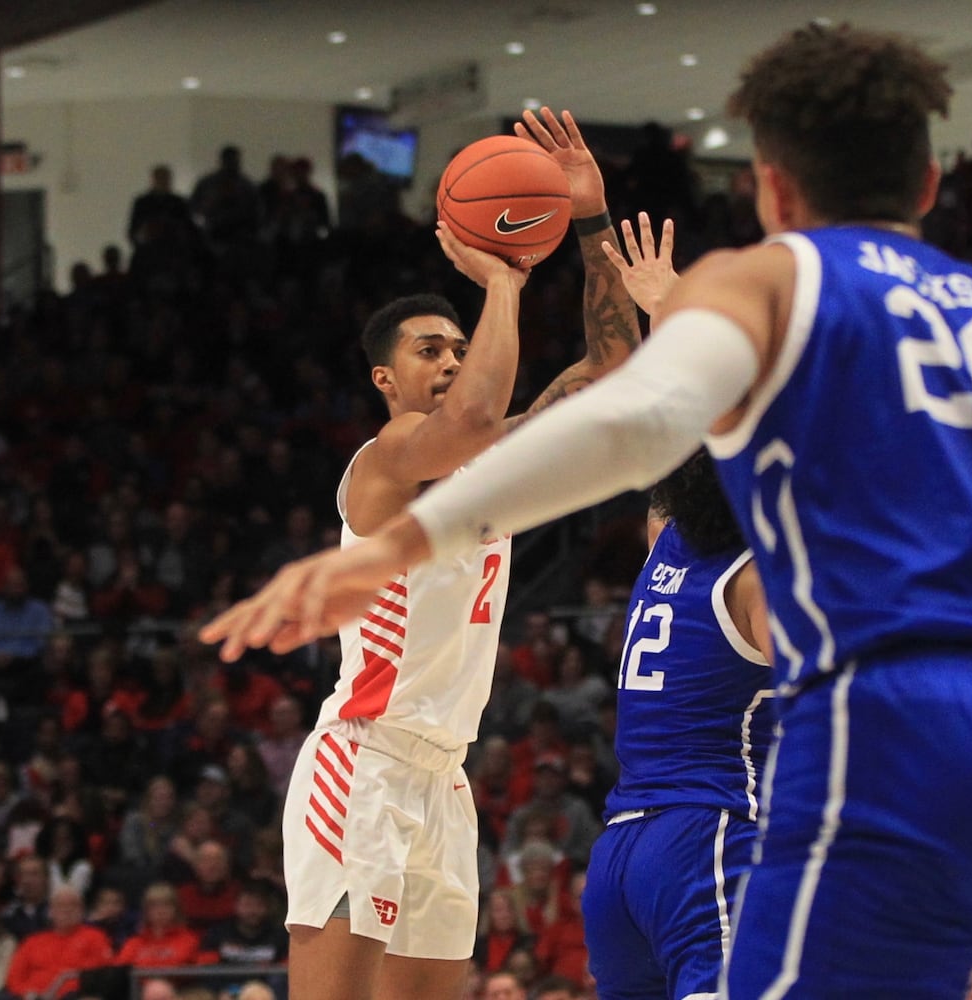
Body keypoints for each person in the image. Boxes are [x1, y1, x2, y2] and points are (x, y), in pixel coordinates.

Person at [200, 23, 972, 999]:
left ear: (770, 188)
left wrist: (395, 547)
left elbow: (618, 428)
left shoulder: (769, 284)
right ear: (931, 183)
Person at [269, 108, 641, 1000]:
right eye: (429, 350)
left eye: (459, 349)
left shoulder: (493, 465)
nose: (450, 360)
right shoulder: (384, 464)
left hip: (443, 776)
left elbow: (615, 364)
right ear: (384, 380)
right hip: (363, 762)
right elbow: (469, 417)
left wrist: (588, 218)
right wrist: (504, 281)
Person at [581, 447, 774, 1000]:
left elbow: (669, 479)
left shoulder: (663, 545)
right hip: (706, 839)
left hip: (619, 854)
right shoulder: (757, 580)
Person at [1, 887, 113, 1000]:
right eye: (60, 905)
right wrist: (27, 993)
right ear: (50, 911)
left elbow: (102, 975)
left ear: (82, 910)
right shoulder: (32, 941)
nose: (66, 909)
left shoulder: (96, 937)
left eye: (73, 905)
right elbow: (14, 978)